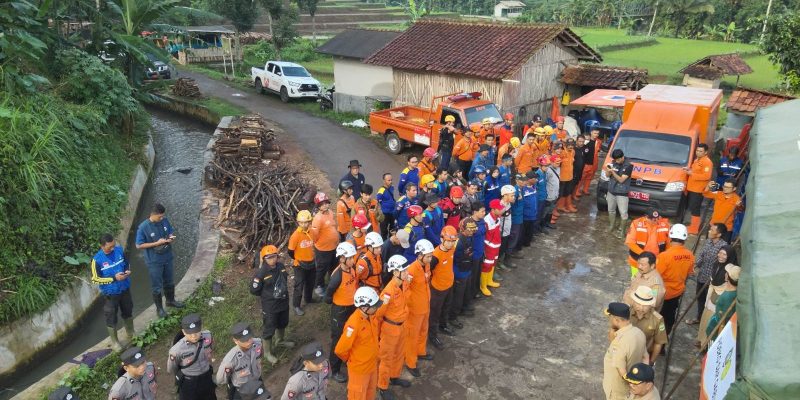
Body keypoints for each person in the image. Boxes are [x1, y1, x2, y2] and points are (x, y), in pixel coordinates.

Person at [135, 203, 183, 318]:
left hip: (167, 256)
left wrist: (170, 237)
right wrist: (156, 243)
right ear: (153, 215)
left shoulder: (164, 221)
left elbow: (170, 231)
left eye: (162, 216)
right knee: (157, 286)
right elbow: (138, 245)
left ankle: (170, 300)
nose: (162, 218)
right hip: (154, 261)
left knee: (169, 281)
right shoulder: (143, 227)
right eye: (159, 217)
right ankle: (159, 309)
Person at [375, 255, 412, 399]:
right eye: (404, 270)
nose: (407, 272)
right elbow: (378, 314)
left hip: (402, 326)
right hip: (390, 329)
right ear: (395, 272)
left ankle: (394, 376)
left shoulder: (403, 284)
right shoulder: (388, 293)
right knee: (386, 359)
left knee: (399, 354)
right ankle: (383, 387)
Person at [335, 286, 382, 400]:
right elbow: (340, 350)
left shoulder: (370, 316)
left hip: (372, 365)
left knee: (370, 393)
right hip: (359, 370)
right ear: (364, 307)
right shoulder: (354, 324)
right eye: (374, 306)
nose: (377, 307)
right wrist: (354, 360)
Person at [324, 242, 360, 383]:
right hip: (340, 311)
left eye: (353, 257)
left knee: (350, 335)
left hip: (351, 307)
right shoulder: (337, 276)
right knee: (338, 339)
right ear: (342, 258)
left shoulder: (351, 268)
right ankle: (334, 369)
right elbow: (327, 297)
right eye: (350, 258)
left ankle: (346, 358)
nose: (353, 260)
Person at [251, 244, 294, 363]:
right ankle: (268, 353)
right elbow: (254, 290)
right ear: (264, 259)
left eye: (274, 256)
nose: (272, 259)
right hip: (270, 306)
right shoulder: (261, 273)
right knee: (269, 328)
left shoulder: (280, 266)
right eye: (269, 257)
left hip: (283, 301)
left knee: (283, 322)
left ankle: (280, 340)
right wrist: (268, 296)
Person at [91, 233, 134, 350]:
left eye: (113, 245)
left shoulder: (119, 250)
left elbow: (126, 263)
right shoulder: (97, 260)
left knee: (128, 309)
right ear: (102, 246)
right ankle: (115, 342)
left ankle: (131, 332)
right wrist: (114, 278)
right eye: (110, 247)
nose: (113, 248)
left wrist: (127, 271)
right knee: (111, 316)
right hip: (110, 293)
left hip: (124, 288)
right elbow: (95, 279)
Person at [655, 224, 695, 335]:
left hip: (663, 293)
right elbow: (689, 272)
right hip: (677, 292)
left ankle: (656, 341)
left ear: (670, 237)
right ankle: (664, 339)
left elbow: (655, 275)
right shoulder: (690, 255)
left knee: (657, 317)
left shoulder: (664, 256)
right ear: (685, 238)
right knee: (669, 317)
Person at [603, 302, 647, 400]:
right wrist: (640, 381)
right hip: (632, 387)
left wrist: (630, 384)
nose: (609, 320)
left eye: (610, 318)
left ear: (616, 320)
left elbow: (621, 371)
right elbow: (646, 357)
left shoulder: (619, 343)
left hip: (617, 389)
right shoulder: (639, 333)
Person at [404, 239, 435, 378]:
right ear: (420, 255)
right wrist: (412, 304)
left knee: (423, 330)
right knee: (412, 336)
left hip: (425, 306)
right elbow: (405, 289)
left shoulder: (426, 265)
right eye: (428, 256)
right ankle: (410, 362)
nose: (430, 258)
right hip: (415, 310)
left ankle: (421, 351)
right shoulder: (411, 270)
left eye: (430, 255)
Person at [167, 314, 216, 400]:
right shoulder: (176, 350)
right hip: (189, 382)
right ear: (183, 331)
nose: (193, 336)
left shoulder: (208, 336)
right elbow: (172, 368)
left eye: (196, 332)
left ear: (201, 328)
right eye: (189, 333)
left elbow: (211, 349)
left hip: (207, 377)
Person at [688, 223, 728, 325]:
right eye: (710, 229)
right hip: (702, 276)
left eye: (712, 230)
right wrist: (695, 265)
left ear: (719, 234)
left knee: (709, 301)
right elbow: (702, 255)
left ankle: (706, 322)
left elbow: (722, 265)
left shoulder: (723, 247)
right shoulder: (708, 242)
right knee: (700, 298)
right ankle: (699, 317)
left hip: (712, 281)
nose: (709, 231)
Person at [697, 245, 738, 345]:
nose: (721, 256)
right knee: (705, 317)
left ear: (729, 256)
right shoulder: (716, 264)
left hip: (718, 300)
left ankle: (707, 343)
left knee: (712, 323)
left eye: (724, 254)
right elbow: (714, 281)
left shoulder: (731, 272)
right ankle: (702, 340)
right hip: (712, 296)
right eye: (720, 253)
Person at [428, 226, 458, 350]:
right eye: (448, 241)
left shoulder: (451, 249)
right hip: (437, 289)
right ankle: (432, 336)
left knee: (446, 307)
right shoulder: (435, 256)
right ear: (441, 239)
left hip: (449, 286)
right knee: (434, 313)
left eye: (452, 241)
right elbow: (428, 271)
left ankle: (443, 325)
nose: (451, 244)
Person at [216, 323, 264, 399]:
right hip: (242, 391)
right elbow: (220, 379)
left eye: (250, 338)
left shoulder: (258, 344)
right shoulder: (231, 359)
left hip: (258, 382)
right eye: (245, 340)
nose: (249, 342)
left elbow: (260, 356)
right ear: (235, 341)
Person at [624, 208, 671, 277]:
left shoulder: (665, 225)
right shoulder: (636, 224)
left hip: (657, 261)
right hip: (638, 260)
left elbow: (669, 243)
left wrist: (664, 257)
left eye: (657, 218)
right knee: (637, 281)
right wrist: (645, 255)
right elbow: (630, 243)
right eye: (652, 219)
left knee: (653, 283)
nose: (655, 221)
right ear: (645, 217)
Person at [628, 286, 667, 367]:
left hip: (643, 357)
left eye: (645, 305)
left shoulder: (658, 320)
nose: (641, 307)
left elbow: (658, 343)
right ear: (633, 301)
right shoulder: (626, 312)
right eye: (638, 303)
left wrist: (651, 362)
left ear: (651, 305)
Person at [310, 192, 339, 298]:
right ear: (318, 206)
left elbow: (333, 226)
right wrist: (322, 243)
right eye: (322, 204)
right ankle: (319, 286)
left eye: (326, 203)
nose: (325, 205)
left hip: (333, 247)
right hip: (323, 250)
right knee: (322, 268)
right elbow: (314, 236)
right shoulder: (317, 219)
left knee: (333, 266)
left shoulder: (330, 212)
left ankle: (332, 283)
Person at [289, 210, 316, 316]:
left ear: (310, 222)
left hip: (312, 262)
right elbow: (290, 251)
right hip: (300, 265)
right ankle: (296, 305)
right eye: (301, 222)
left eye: (306, 222)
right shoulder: (295, 236)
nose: (304, 224)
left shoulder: (312, 232)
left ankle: (308, 299)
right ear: (298, 222)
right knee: (299, 286)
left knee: (310, 283)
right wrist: (299, 258)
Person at [450, 219, 477, 321]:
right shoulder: (458, 242)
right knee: (458, 296)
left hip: (468, 269)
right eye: (469, 230)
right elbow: (452, 257)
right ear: (462, 229)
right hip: (459, 272)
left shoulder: (470, 237)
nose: (471, 232)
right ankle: (453, 317)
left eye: (473, 230)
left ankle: (464, 308)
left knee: (466, 291)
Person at [706, 264, 740, 340]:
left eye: (726, 272)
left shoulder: (728, 296)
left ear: (728, 276)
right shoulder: (735, 292)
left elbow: (722, 317)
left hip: (718, 329)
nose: (725, 273)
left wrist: (710, 329)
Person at [605, 149, 634, 238]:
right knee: (611, 210)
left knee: (623, 213)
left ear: (622, 157)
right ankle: (612, 226)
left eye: (618, 159)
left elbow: (621, 180)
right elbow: (607, 176)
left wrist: (613, 172)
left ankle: (622, 231)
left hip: (622, 193)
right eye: (615, 160)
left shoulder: (629, 166)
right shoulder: (613, 163)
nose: (616, 161)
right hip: (611, 191)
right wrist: (608, 170)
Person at [685, 143, 713, 235]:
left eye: (700, 151)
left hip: (698, 189)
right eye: (697, 150)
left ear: (705, 152)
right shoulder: (697, 160)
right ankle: (693, 226)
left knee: (695, 208)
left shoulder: (707, 162)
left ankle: (694, 229)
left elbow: (706, 176)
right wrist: (689, 169)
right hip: (692, 188)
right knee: (693, 208)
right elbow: (697, 171)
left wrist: (691, 174)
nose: (698, 152)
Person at [480, 199, 504, 296]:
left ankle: (489, 280)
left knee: (493, 263)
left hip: (496, 246)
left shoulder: (497, 217)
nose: (502, 210)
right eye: (499, 209)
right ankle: (483, 286)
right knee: (486, 266)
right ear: (493, 209)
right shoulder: (487, 220)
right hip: (489, 247)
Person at [467, 201, 488, 301]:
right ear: (475, 212)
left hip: (480, 253)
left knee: (477, 274)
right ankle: (470, 295)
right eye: (482, 211)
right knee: (472, 276)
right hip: (473, 256)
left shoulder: (482, 221)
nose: (484, 213)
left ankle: (475, 291)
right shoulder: (469, 224)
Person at [576, 128, 601, 196]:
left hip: (593, 163)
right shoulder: (586, 141)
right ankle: (577, 191)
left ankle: (585, 189)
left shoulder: (598, 142)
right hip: (585, 163)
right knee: (581, 178)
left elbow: (597, 152)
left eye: (597, 133)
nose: (596, 135)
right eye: (595, 133)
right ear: (591, 133)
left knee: (589, 177)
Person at [519, 171, 539, 248]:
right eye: (535, 178)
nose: (536, 180)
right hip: (525, 215)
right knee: (523, 231)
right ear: (529, 180)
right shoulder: (523, 189)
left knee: (530, 230)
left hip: (533, 214)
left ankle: (527, 242)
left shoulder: (534, 186)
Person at [556, 140, 577, 213]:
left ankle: (564, 205)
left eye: (572, 145)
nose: (571, 146)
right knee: (561, 192)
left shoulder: (573, 152)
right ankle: (559, 206)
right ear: (565, 144)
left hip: (569, 176)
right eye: (569, 144)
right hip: (562, 178)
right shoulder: (562, 152)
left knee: (567, 191)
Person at [542, 155, 560, 230]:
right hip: (549, 195)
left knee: (551, 210)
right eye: (556, 162)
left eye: (559, 162)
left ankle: (548, 223)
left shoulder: (558, 169)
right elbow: (545, 182)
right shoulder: (548, 171)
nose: (558, 164)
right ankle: (542, 226)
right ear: (552, 162)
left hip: (555, 194)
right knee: (545, 211)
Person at [376, 173, 397, 238]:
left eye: (391, 180)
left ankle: (391, 239)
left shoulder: (392, 187)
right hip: (385, 214)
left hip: (392, 212)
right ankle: (384, 242)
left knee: (392, 227)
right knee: (384, 230)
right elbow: (377, 201)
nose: (391, 182)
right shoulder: (381, 191)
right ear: (384, 181)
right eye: (388, 180)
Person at [570, 135, 586, 202]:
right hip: (573, 171)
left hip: (580, 170)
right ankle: (569, 199)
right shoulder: (573, 149)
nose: (581, 143)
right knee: (571, 185)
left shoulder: (583, 148)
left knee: (576, 183)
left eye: (583, 141)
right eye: (580, 141)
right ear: (576, 141)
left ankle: (573, 196)